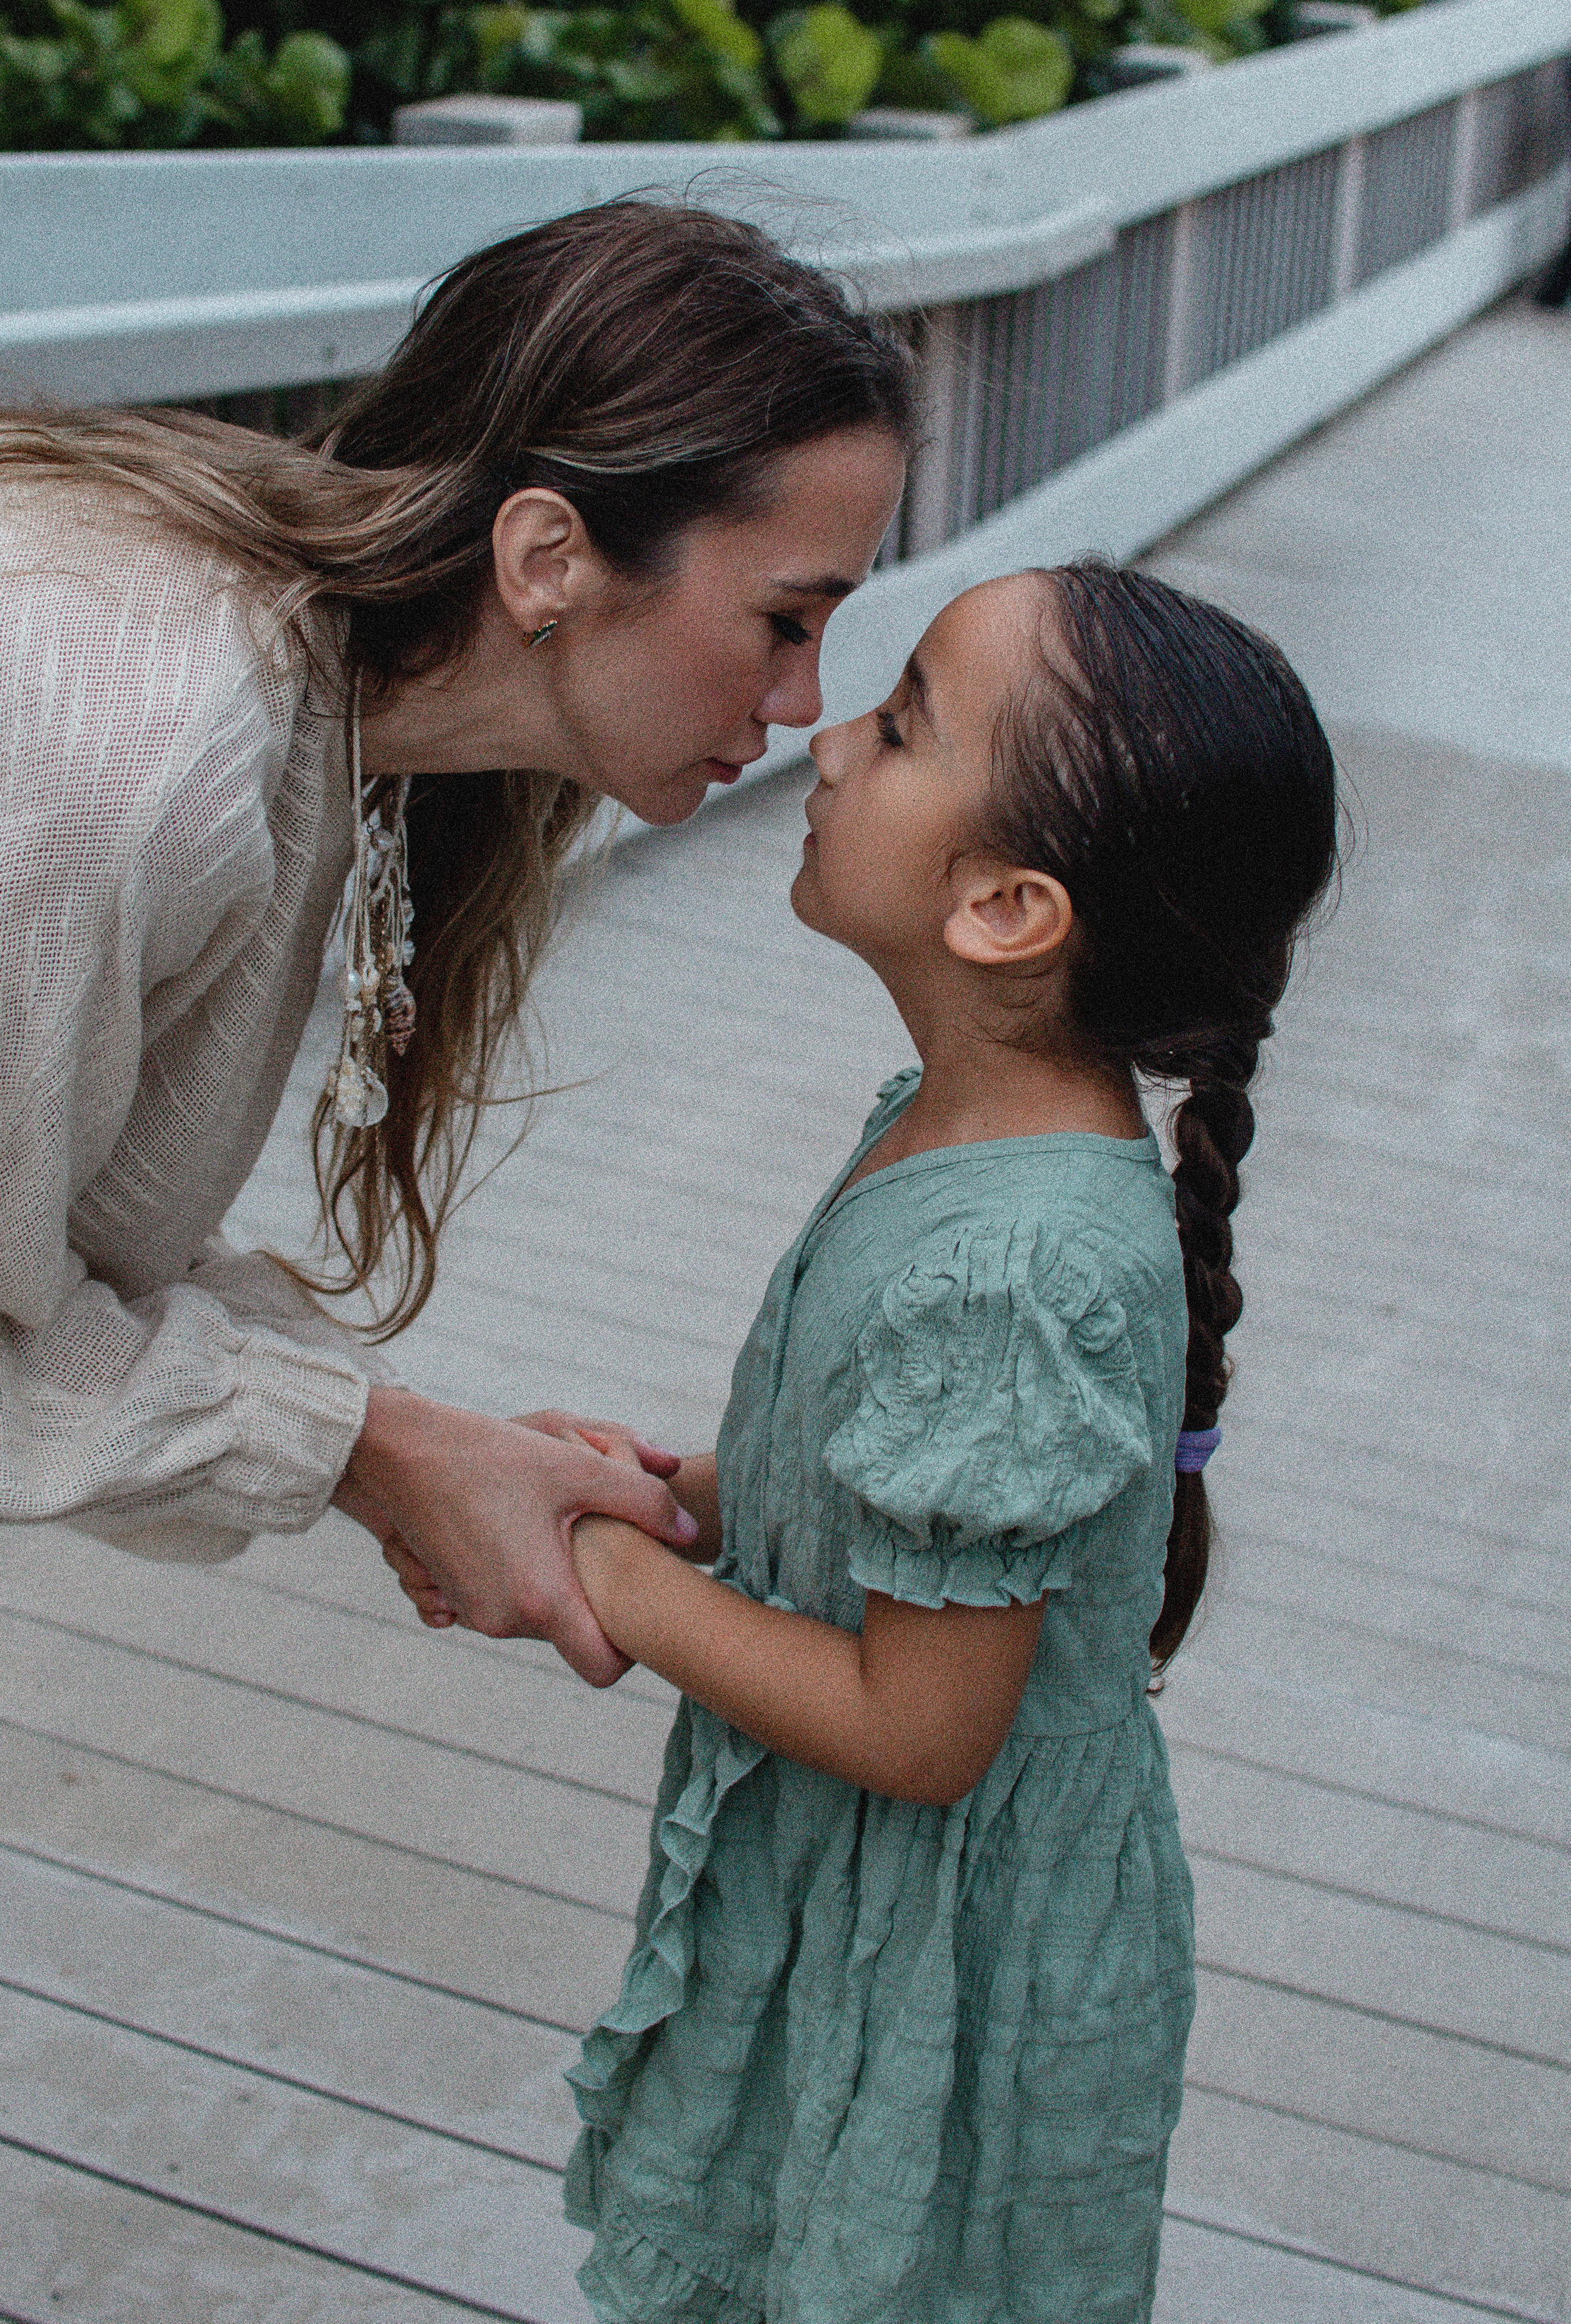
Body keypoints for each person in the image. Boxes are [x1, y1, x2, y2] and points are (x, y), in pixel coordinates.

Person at [0, 197, 916, 1975]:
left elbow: (13, 1234)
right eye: (782, 618)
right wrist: (381, 1453)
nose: (800, 700)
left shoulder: (295, 698)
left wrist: (423, 1445)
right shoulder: (139, 752)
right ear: (548, 556)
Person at [534, 564, 1338, 2320]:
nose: (825, 740)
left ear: (1003, 908)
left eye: (896, 726)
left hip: (943, 1954)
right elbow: (927, 1504)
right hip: (866, 1909)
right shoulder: (954, 1135)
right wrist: (689, 1498)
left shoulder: (1018, 1264)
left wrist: (590, 1571)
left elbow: (919, 1730)